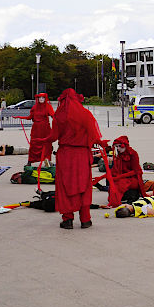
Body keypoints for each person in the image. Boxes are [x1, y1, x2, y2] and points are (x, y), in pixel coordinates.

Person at [44, 88, 105, 229]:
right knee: (83, 186)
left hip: (66, 154)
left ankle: (68, 219)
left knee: (66, 187)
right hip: (82, 155)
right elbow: (95, 137)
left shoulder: (60, 116)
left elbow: (53, 137)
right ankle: (85, 220)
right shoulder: (86, 114)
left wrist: (42, 140)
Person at [15, 92, 55, 167]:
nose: (41, 99)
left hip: (45, 129)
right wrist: (19, 117)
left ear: (45, 99)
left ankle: (47, 160)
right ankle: (30, 161)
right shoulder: (35, 107)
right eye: (40, 98)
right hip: (36, 129)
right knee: (34, 144)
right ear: (37, 99)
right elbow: (30, 117)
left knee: (46, 145)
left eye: (43, 98)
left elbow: (53, 116)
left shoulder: (48, 107)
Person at [107, 136, 145, 207]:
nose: (118, 148)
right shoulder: (119, 155)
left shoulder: (133, 154)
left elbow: (136, 171)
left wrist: (120, 177)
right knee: (113, 183)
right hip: (123, 177)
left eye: (119, 146)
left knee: (120, 183)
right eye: (116, 146)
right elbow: (116, 169)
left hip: (133, 178)